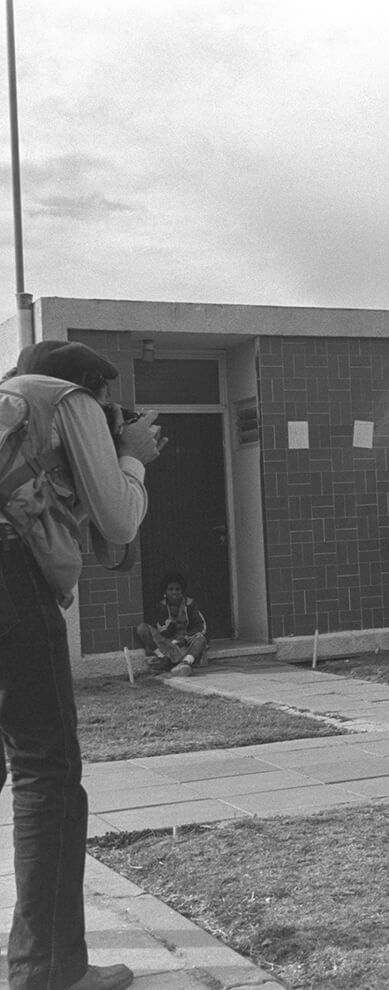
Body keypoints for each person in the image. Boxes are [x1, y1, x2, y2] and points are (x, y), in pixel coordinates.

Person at [1, 341, 164, 990]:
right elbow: (119, 524)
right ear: (90, 389)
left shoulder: (12, 402)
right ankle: (48, 970)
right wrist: (132, 457)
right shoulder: (64, 402)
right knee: (49, 775)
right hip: (10, 583)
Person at [133, 571, 208, 676]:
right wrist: (172, 619)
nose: (174, 592)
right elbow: (162, 630)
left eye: (177, 589)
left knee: (201, 640)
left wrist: (186, 638)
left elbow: (201, 625)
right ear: (165, 592)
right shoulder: (162, 606)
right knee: (142, 628)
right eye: (171, 589)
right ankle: (162, 658)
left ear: (182, 591)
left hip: (184, 642)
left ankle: (185, 663)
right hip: (167, 642)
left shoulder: (190, 604)